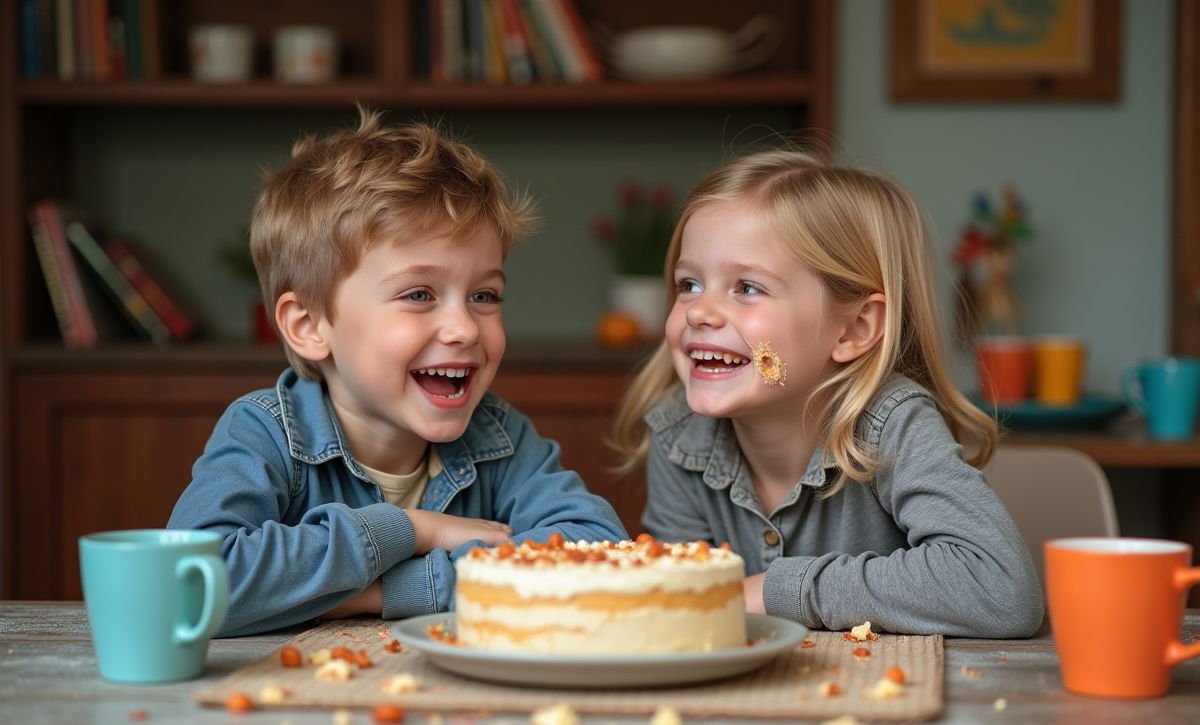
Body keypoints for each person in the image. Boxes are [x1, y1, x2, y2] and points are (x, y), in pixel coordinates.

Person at [170, 109, 627, 636]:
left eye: (484, 296)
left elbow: (599, 553)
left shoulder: (498, 437)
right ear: (309, 325)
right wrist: (413, 530)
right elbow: (191, 583)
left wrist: (383, 592)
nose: (464, 328)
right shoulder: (264, 433)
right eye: (418, 294)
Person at [610, 149, 1043, 638]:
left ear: (853, 329)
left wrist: (771, 591)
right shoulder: (680, 435)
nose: (698, 312)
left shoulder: (891, 424)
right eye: (689, 284)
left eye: (747, 287)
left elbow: (1000, 589)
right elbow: (680, 611)